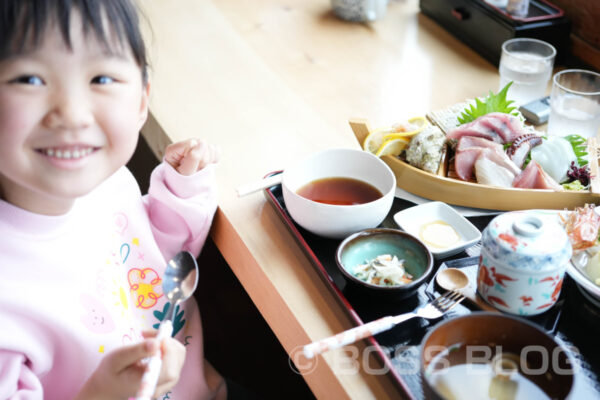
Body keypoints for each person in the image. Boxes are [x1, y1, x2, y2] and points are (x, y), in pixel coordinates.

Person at [0, 0, 226, 398]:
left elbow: (156, 270)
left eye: (102, 78)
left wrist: (179, 191)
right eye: (30, 80)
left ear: (142, 101)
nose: (72, 114)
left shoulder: (105, 183)